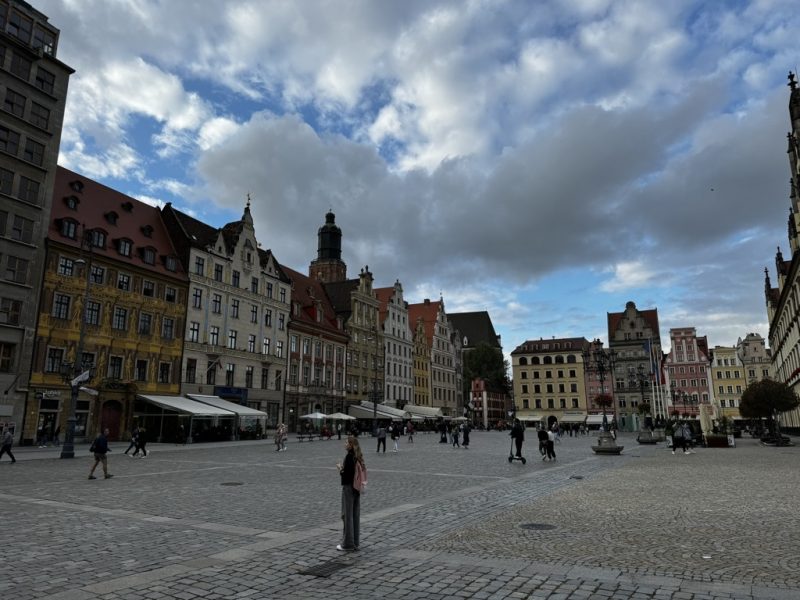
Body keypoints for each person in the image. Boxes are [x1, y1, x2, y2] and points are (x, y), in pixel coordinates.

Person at [336, 435, 363, 551]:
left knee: (347, 516)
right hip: (357, 488)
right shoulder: (358, 456)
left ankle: (347, 544)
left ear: (351, 445)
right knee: (355, 515)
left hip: (348, 488)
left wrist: (340, 469)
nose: (345, 444)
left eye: (346, 442)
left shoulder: (349, 457)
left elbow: (346, 476)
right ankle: (355, 541)